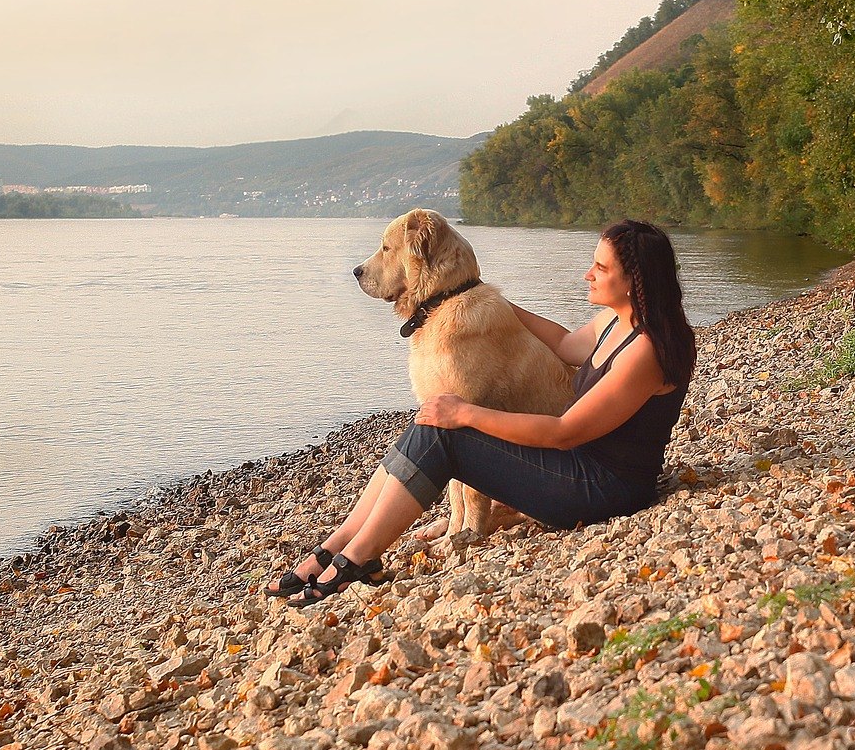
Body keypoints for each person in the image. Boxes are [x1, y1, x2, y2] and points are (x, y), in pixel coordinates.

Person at [262, 219, 697, 605]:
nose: (588, 274)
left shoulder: (646, 350)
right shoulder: (616, 322)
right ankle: (341, 543)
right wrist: (478, 295)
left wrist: (465, 415)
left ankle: (357, 557)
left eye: (600, 269)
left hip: (601, 488)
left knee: (445, 428)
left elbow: (565, 431)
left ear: (634, 281)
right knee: (431, 420)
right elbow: (564, 344)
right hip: (579, 470)